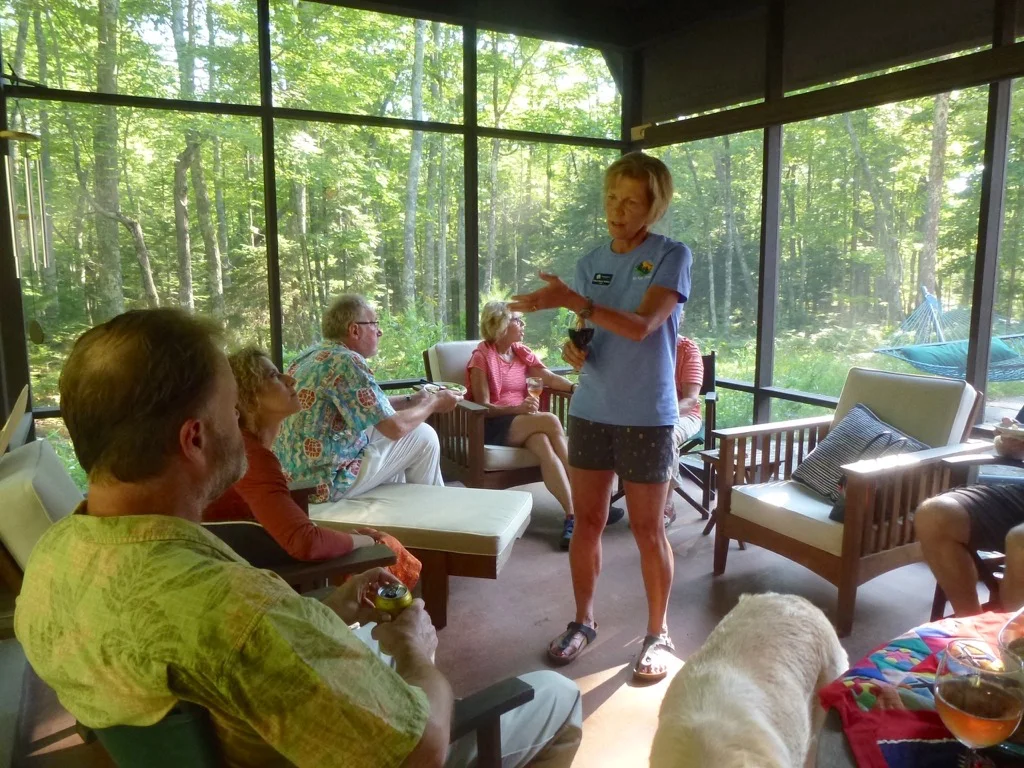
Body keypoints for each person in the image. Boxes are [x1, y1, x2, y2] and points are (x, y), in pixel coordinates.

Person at [15, 307, 583, 768]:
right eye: (231, 410)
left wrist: (328, 608)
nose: (243, 423)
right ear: (195, 439)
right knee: (558, 698)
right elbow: (421, 750)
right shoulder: (239, 613)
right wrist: (417, 652)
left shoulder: (49, 565)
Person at [511, 151, 692, 682]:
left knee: (647, 530)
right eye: (612, 197)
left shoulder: (671, 255)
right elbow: (591, 333)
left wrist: (573, 301)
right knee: (586, 522)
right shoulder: (591, 261)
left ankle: (657, 633)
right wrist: (576, 349)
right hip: (591, 408)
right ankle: (583, 621)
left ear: (653, 207)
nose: (617, 209)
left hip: (647, 414)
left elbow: (642, 326)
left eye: (631, 201)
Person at [203, 346, 421, 586]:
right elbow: (305, 543)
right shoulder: (251, 458)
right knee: (383, 544)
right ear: (247, 397)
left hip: (253, 557)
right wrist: (365, 542)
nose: (290, 379)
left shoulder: (245, 449)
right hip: (256, 576)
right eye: (273, 376)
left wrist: (346, 538)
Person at [466, 301, 623, 551]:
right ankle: (589, 499)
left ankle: (572, 515)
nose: (522, 324)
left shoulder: (520, 352)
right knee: (549, 420)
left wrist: (574, 388)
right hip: (493, 424)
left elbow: (548, 378)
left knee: (544, 446)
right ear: (501, 324)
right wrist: (517, 409)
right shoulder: (481, 357)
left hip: (524, 422)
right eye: (517, 320)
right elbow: (483, 406)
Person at [275, 294, 461, 503]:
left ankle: (402, 502)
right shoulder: (347, 362)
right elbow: (395, 427)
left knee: (385, 431)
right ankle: (434, 507)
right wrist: (433, 402)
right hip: (324, 483)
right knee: (423, 435)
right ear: (355, 330)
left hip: (297, 477)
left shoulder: (312, 355)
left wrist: (412, 399)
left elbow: (368, 406)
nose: (379, 331)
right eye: (374, 323)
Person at [666, 335, 704, 526]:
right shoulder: (636, 345)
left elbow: (691, 400)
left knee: (665, 435)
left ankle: (665, 503)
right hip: (643, 414)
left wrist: (662, 415)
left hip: (684, 415)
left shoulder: (686, 349)